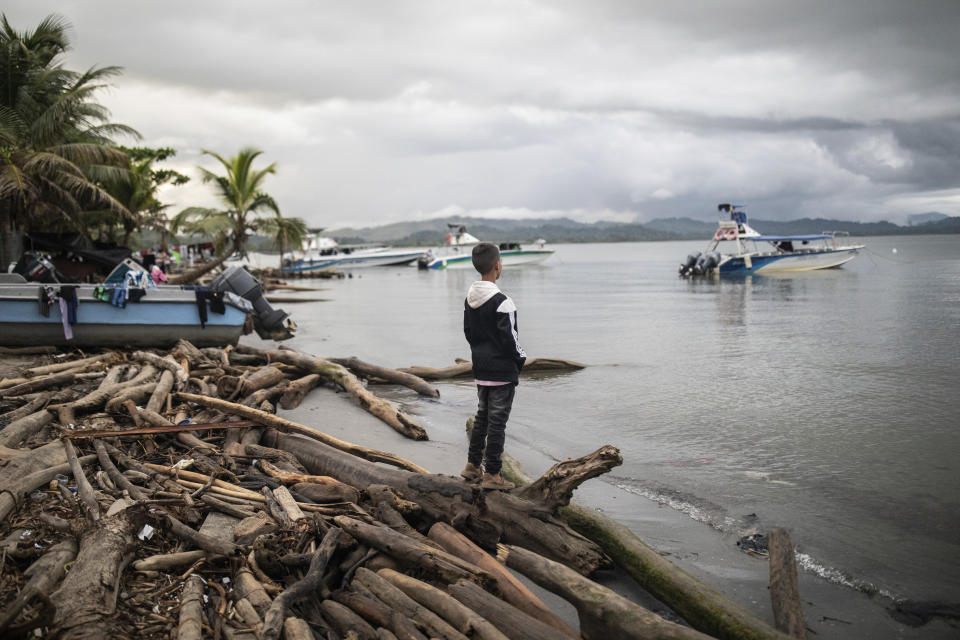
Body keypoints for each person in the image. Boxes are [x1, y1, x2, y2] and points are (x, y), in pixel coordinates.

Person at [461, 243, 526, 489]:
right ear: (498, 266)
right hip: (502, 371)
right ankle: (493, 475)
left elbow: (468, 332)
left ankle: (472, 466)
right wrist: (520, 360)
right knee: (498, 422)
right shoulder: (503, 302)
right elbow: (511, 339)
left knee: (482, 418)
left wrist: (480, 355)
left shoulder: (470, 299)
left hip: (481, 369)